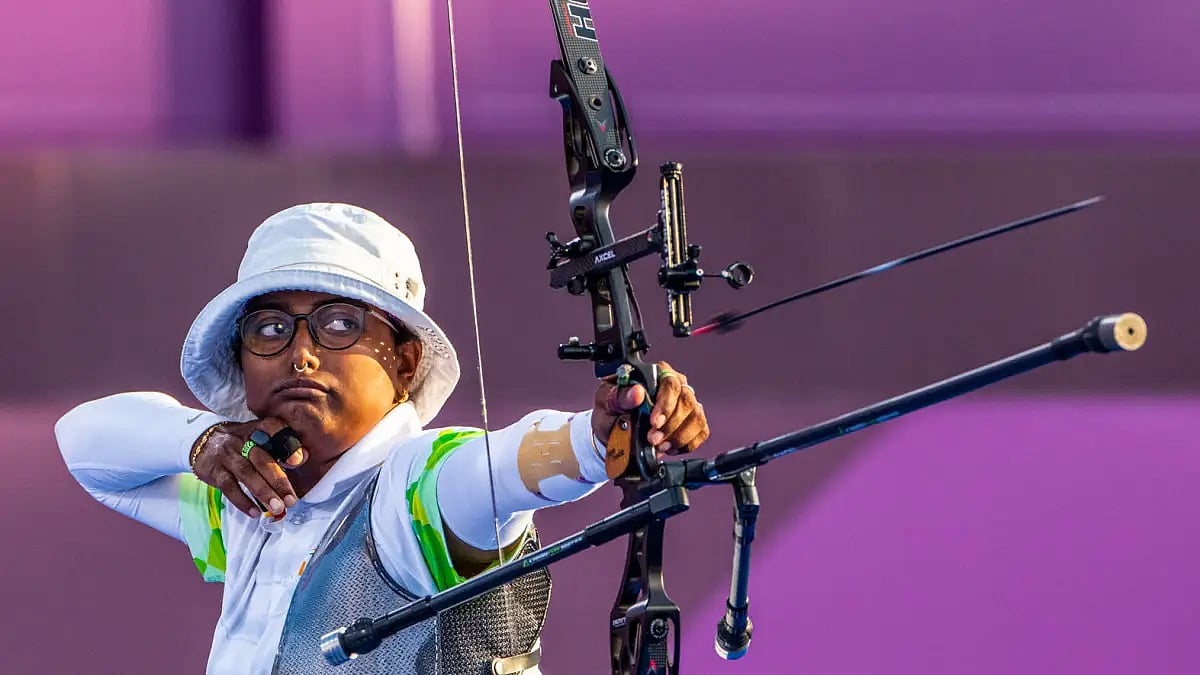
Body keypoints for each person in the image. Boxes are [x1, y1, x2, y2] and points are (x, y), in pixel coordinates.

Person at [55, 203, 710, 675]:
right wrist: (202, 440)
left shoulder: (414, 489)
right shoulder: (249, 504)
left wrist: (600, 435)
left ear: (401, 361)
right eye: (270, 329)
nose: (301, 355)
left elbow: (501, 466)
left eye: (338, 323)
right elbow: (83, 444)